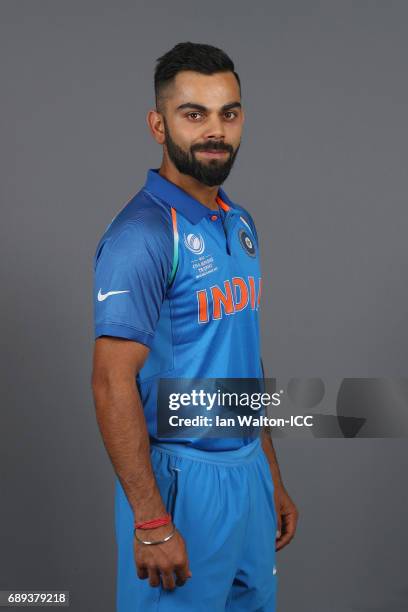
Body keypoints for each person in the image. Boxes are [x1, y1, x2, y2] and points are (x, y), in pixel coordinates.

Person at [92, 41, 298, 612]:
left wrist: (268, 476)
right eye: (194, 114)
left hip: (246, 473)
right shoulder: (144, 234)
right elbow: (111, 383)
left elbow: (242, 360)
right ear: (159, 125)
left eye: (228, 113)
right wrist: (152, 520)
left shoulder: (239, 221)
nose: (215, 130)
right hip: (182, 480)